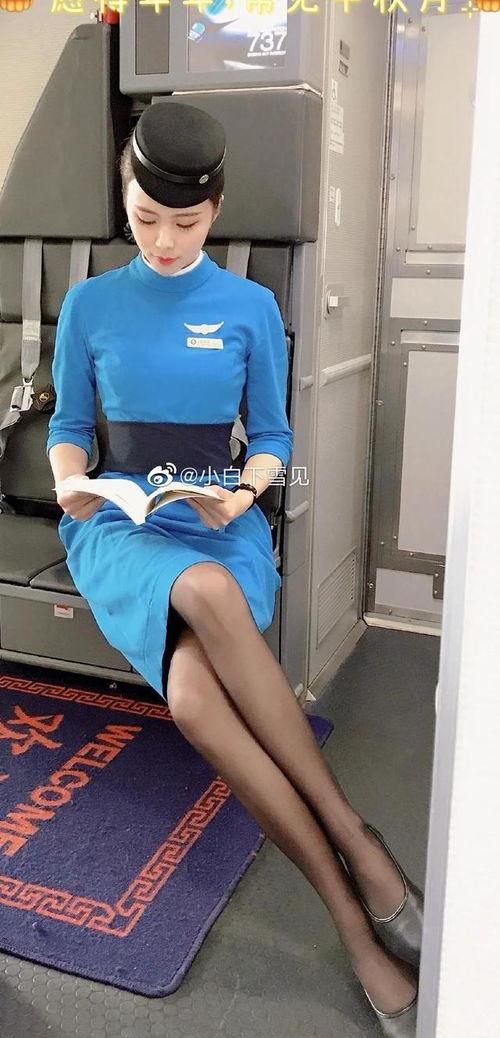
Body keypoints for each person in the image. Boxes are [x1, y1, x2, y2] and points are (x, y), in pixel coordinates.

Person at [46, 102, 423, 1033]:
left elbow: (276, 440)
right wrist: (71, 482)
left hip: (219, 519)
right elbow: (70, 426)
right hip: (122, 529)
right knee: (202, 595)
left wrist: (246, 494)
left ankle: (353, 883)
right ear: (124, 200)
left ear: (216, 208)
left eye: (186, 222)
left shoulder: (251, 307)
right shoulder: (90, 303)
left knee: (194, 701)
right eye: (145, 220)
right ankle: (359, 875)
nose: (165, 241)